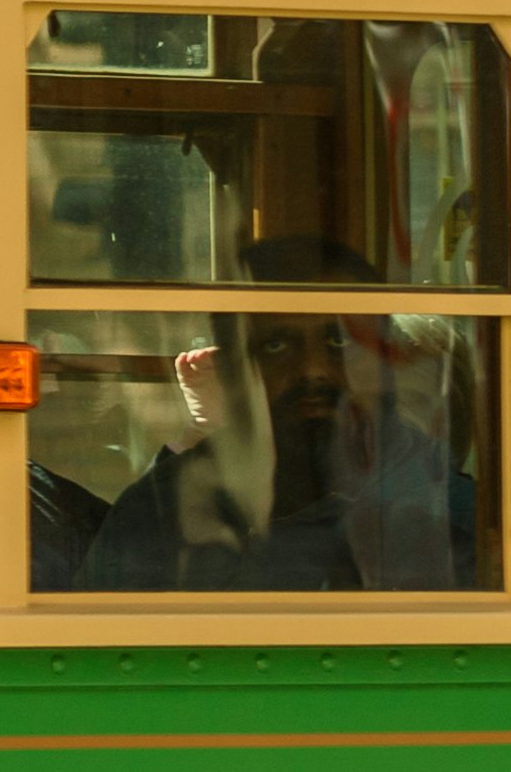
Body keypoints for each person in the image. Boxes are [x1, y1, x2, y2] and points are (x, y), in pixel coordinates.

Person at [70, 244, 477, 592]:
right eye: (278, 345)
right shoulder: (160, 510)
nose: (313, 370)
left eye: (338, 340)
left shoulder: (452, 510)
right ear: (235, 366)